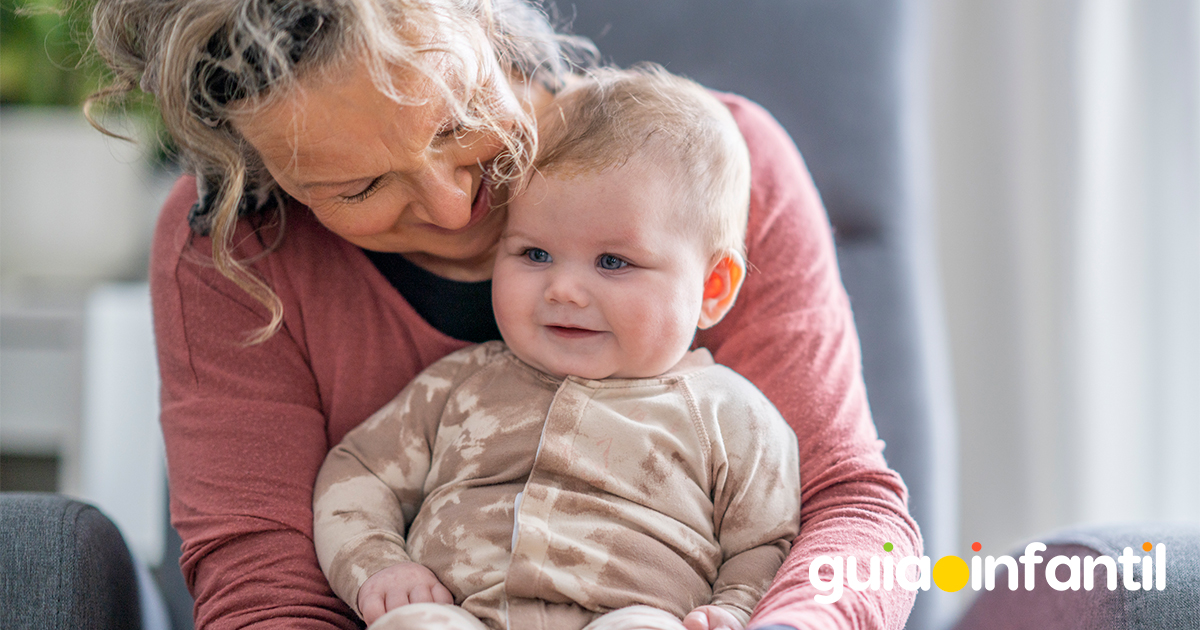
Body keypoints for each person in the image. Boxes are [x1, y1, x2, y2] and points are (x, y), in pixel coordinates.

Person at [88, 0, 921, 628]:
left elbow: (857, 514)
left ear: (488, 21)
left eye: (458, 125)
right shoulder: (233, 247)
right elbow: (265, 585)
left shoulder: (710, 175)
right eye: (357, 188)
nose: (455, 211)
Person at [312, 66, 801, 630]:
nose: (563, 290)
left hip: (634, 615)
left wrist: (734, 610)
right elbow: (359, 473)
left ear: (711, 288)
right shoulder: (459, 385)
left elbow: (766, 541)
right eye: (534, 254)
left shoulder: (731, 415)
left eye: (613, 262)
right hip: (461, 615)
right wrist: (377, 567)